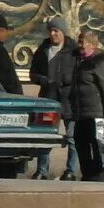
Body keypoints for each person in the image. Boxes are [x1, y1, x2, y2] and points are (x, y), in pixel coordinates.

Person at [29, 17, 78, 180]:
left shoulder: (74, 51)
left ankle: (71, 170)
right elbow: (33, 74)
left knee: (72, 137)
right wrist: (45, 81)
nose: (53, 33)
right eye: (51, 30)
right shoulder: (43, 50)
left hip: (69, 100)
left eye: (56, 30)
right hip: (48, 98)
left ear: (63, 32)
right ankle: (42, 170)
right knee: (46, 136)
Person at [71, 28, 104, 182]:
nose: (80, 45)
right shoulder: (79, 61)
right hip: (81, 113)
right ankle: (87, 173)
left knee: (98, 146)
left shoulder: (99, 62)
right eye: (79, 42)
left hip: (97, 113)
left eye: (82, 43)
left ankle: (98, 175)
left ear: (92, 44)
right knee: (80, 142)